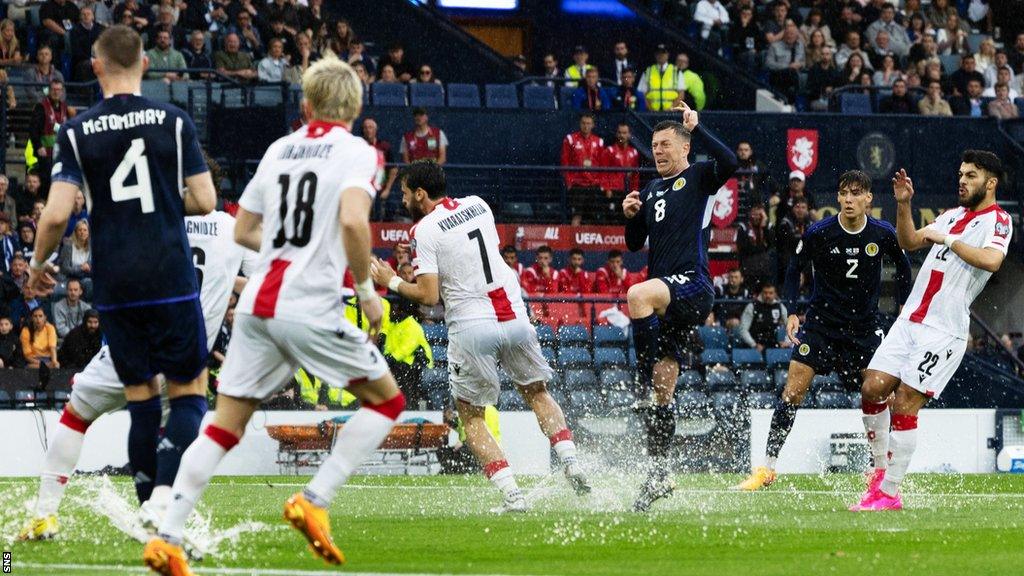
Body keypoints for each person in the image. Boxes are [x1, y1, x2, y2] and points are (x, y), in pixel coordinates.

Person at [145, 58, 405, 573]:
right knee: (386, 402)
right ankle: (315, 499)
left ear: (306, 105)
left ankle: (167, 537)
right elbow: (354, 220)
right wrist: (364, 289)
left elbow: (243, 232)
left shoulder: (279, 149)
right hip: (309, 305)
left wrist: (291, 245)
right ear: (354, 107)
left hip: (259, 306)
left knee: (223, 426)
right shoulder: (359, 152)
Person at [21, 26, 217, 543]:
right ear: (146, 64)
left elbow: (58, 212)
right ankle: (156, 502)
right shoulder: (173, 123)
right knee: (189, 395)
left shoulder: (78, 131)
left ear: (96, 65)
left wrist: (39, 263)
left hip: (117, 283)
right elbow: (205, 199)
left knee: (139, 400)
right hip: (171, 277)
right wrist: (161, 196)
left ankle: (123, 507)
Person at [371, 160, 590, 513]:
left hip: (472, 326)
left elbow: (429, 296)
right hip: (514, 315)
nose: (404, 199)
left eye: (406, 193)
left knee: (470, 415)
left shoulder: (424, 231)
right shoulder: (480, 204)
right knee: (537, 391)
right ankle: (571, 461)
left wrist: (391, 281)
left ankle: (512, 496)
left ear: (421, 194)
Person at [734, 171, 913, 490]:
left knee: (877, 393)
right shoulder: (820, 232)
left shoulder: (882, 233)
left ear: (868, 198)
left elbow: (902, 268)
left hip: (863, 329)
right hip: (820, 327)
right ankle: (767, 469)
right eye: (843, 193)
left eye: (855, 193)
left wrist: (902, 306)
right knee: (792, 390)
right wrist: (791, 311)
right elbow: (793, 269)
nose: (848, 199)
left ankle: (878, 469)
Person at [852, 152, 1012, 511]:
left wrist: (949, 241)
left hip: (945, 330)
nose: (962, 180)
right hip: (910, 320)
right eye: (960, 173)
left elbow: (992, 260)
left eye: (971, 175)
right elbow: (908, 241)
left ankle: (890, 492)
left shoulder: (998, 220)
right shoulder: (951, 215)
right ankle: (879, 472)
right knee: (872, 387)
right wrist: (904, 205)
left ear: (990, 183)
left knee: (906, 402)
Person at [622, 102, 737, 512]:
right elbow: (635, 244)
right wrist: (630, 217)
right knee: (663, 392)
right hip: (669, 296)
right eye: (654, 145)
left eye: (666, 144)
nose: (658, 151)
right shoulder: (651, 189)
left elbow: (730, 161)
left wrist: (698, 126)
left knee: (637, 296)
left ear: (684, 148)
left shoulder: (700, 176)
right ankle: (659, 474)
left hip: (693, 284)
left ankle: (637, 384)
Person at [561, 112, 605, 225]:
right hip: (577, 184)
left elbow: (602, 164)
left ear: (593, 125)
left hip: (593, 184)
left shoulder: (599, 141)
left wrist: (600, 183)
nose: (586, 126)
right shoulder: (570, 139)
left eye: (588, 123)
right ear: (580, 124)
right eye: (583, 123)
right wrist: (569, 182)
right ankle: (571, 242)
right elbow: (565, 162)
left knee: (593, 217)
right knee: (576, 216)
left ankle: (591, 243)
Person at [29, 79, 73, 180]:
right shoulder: (41, 107)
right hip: (45, 154)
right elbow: (33, 129)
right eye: (53, 89)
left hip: (60, 154)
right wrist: (38, 146)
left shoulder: (65, 107)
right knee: (46, 182)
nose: (56, 92)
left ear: (62, 92)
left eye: (58, 90)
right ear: (48, 91)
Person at [601, 123, 641, 214]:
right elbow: (603, 172)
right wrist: (607, 188)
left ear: (629, 134)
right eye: (620, 133)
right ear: (616, 134)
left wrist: (635, 190)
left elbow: (635, 175)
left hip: (627, 191)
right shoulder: (609, 151)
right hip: (613, 190)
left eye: (624, 133)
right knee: (612, 217)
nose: (622, 135)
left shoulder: (634, 152)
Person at [736, 283, 788, 351]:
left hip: (772, 345)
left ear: (775, 294)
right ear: (761, 293)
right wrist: (753, 344)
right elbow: (743, 329)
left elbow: (791, 326)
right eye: (765, 293)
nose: (768, 295)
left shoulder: (780, 307)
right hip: (753, 345)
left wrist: (788, 342)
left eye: (771, 293)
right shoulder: (752, 306)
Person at [774, 196, 812, 281]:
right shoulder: (785, 223)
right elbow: (791, 244)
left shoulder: (810, 223)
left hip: (806, 260)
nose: (800, 210)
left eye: (803, 207)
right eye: (797, 207)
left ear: (807, 210)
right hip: (790, 258)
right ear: (792, 209)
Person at [765, 21, 806, 101]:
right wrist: (788, 67)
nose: (790, 36)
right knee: (791, 72)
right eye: (788, 33)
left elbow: (803, 62)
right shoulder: (774, 46)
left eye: (792, 34)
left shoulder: (800, 46)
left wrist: (800, 64)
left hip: (795, 76)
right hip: (778, 75)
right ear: (784, 34)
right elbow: (768, 64)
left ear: (796, 35)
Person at [736, 205, 773, 288]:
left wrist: (764, 227)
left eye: (759, 215)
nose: (756, 217)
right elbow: (745, 248)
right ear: (749, 214)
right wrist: (762, 247)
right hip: (748, 269)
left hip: (764, 269)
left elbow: (771, 244)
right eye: (754, 214)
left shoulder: (767, 227)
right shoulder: (743, 227)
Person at [639, 44, 677, 112]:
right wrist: (650, 109)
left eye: (663, 53)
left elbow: (681, 94)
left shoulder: (676, 71)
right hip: (652, 112)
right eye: (658, 53)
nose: (661, 55)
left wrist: (672, 108)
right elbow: (642, 93)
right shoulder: (648, 71)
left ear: (668, 54)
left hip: (672, 112)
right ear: (655, 55)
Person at [70, 6, 103, 81]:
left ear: (93, 16)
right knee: (87, 66)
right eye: (83, 14)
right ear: (80, 17)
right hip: (82, 60)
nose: (86, 16)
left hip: (99, 57)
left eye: (88, 14)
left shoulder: (100, 29)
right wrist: (91, 59)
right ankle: (87, 92)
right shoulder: (75, 31)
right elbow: (76, 51)